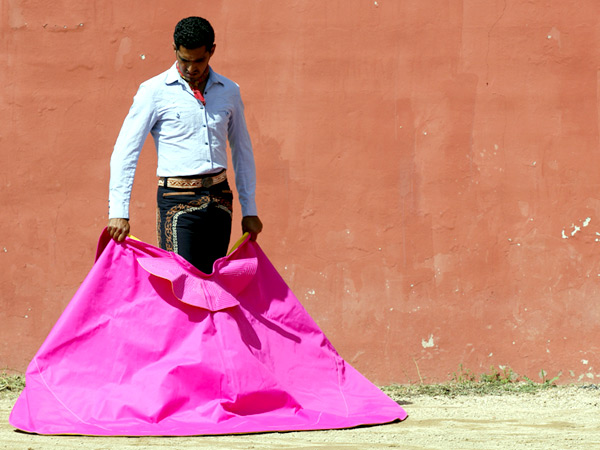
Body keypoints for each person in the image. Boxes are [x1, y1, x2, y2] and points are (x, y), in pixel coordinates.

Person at [107, 16, 262, 274]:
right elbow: (125, 151)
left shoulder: (229, 90)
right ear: (174, 49)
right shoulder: (154, 91)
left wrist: (251, 209)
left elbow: (242, 150)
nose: (191, 68)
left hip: (220, 199)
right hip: (177, 200)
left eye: (199, 61)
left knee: (215, 284)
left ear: (212, 50)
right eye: (184, 60)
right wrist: (119, 211)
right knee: (182, 286)